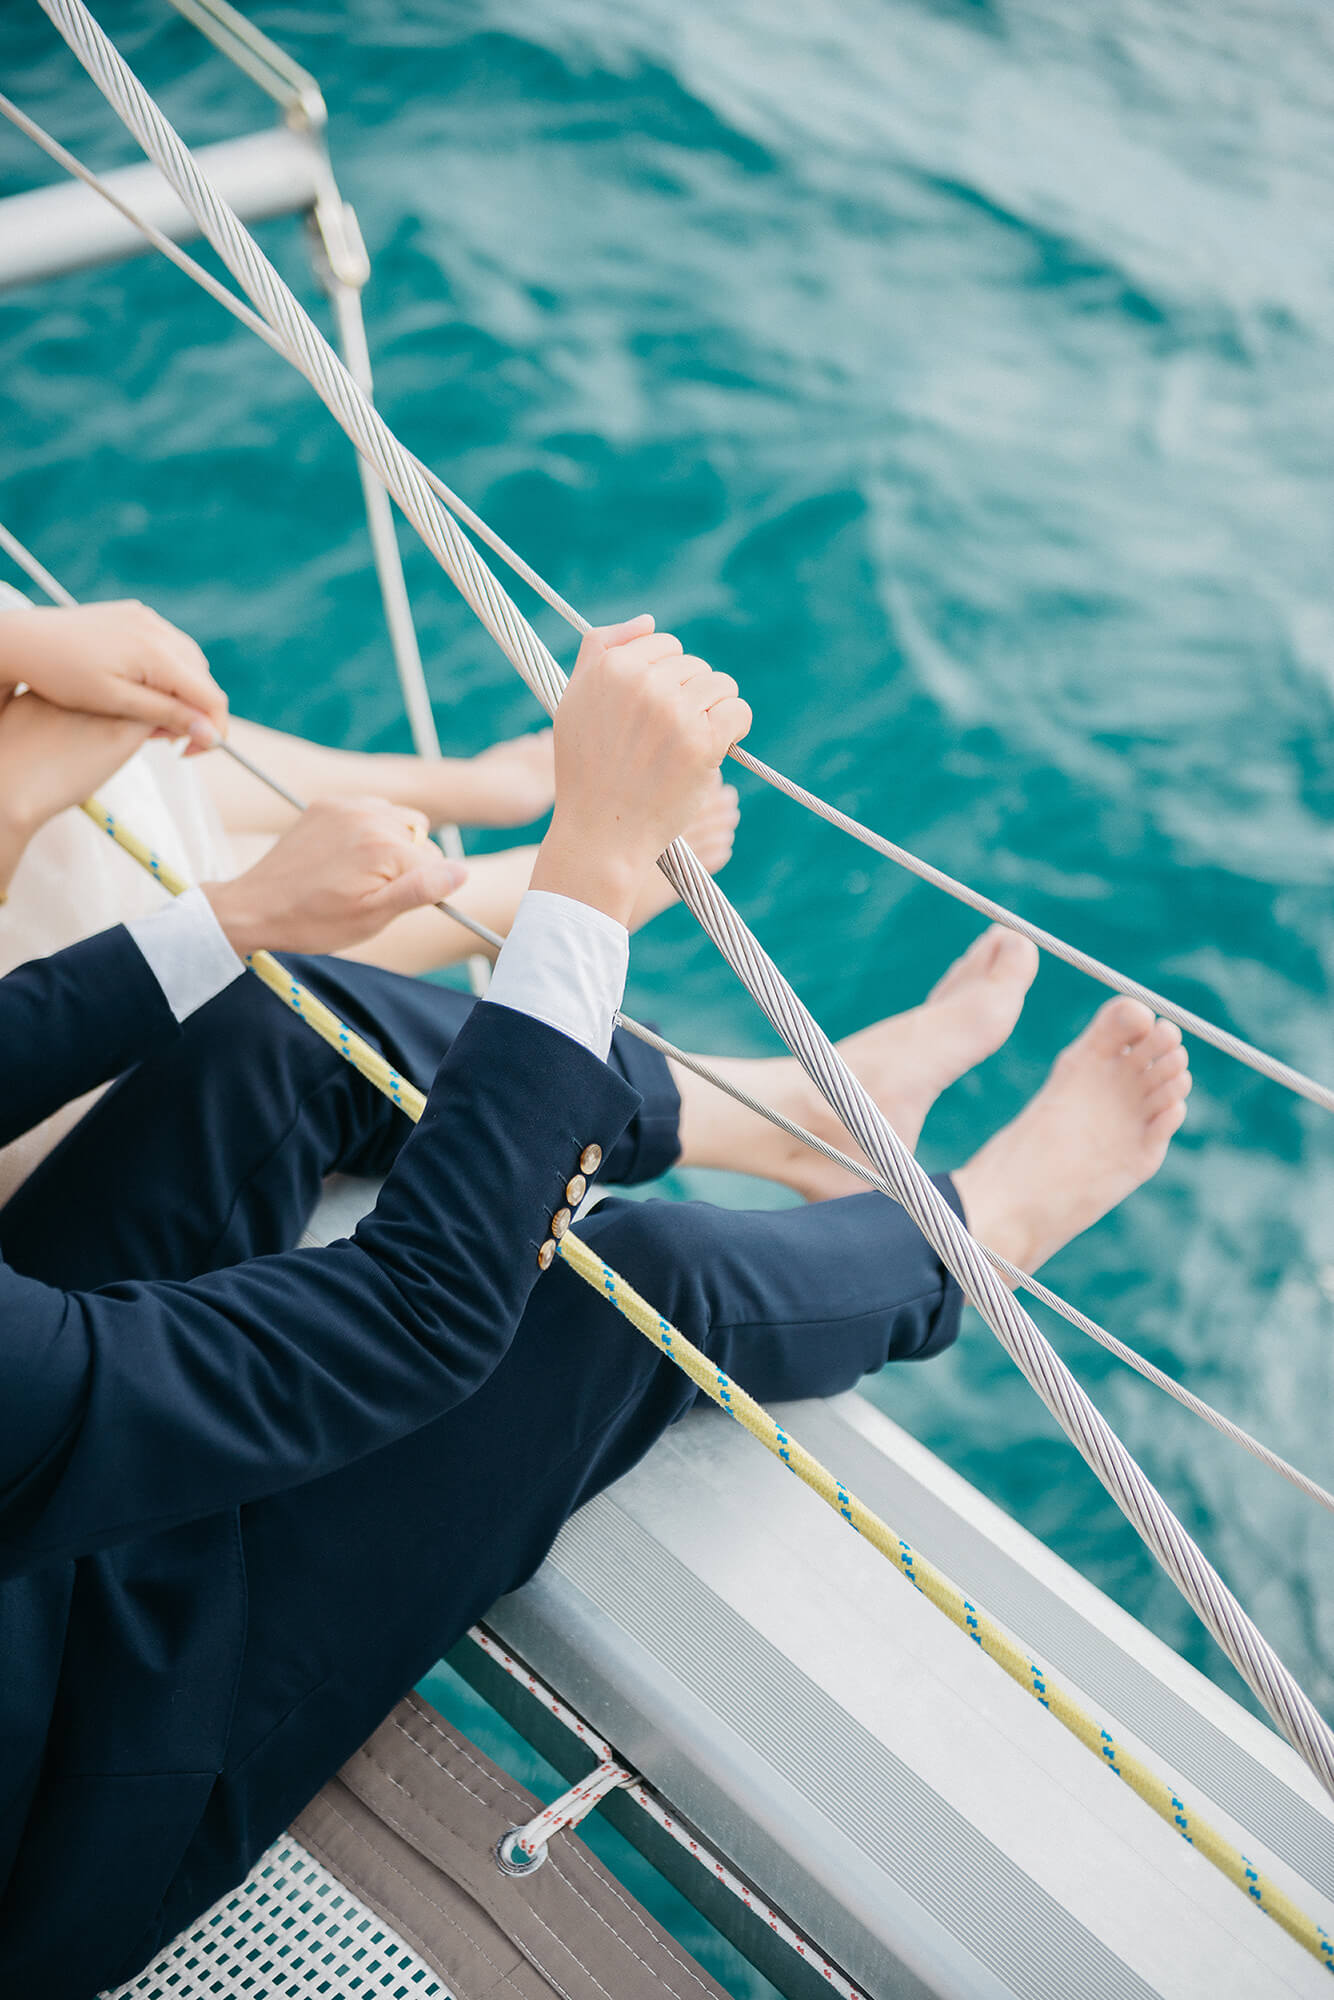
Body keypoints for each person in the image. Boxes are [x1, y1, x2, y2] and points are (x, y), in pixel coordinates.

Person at [0, 615, 1190, 1997]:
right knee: (627, 1294)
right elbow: (418, 1315)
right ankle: (977, 1235)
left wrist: (238, 915)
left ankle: (777, 1124)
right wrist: (591, 872)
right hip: (83, 1751)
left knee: (275, 1031)